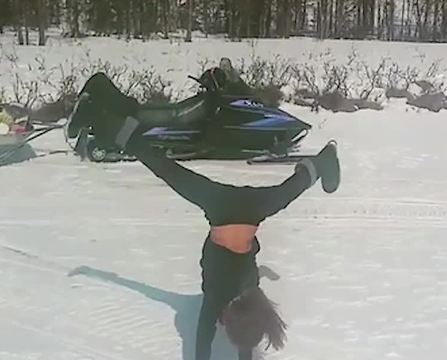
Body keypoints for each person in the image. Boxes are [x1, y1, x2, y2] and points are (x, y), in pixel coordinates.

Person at [66, 73, 341, 360]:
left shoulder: (251, 297)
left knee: (288, 189)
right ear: (228, 313)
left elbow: (241, 342)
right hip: (222, 209)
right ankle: (96, 115)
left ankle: (324, 159)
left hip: (252, 209)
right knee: (163, 167)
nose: (219, 324)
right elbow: (203, 345)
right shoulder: (215, 301)